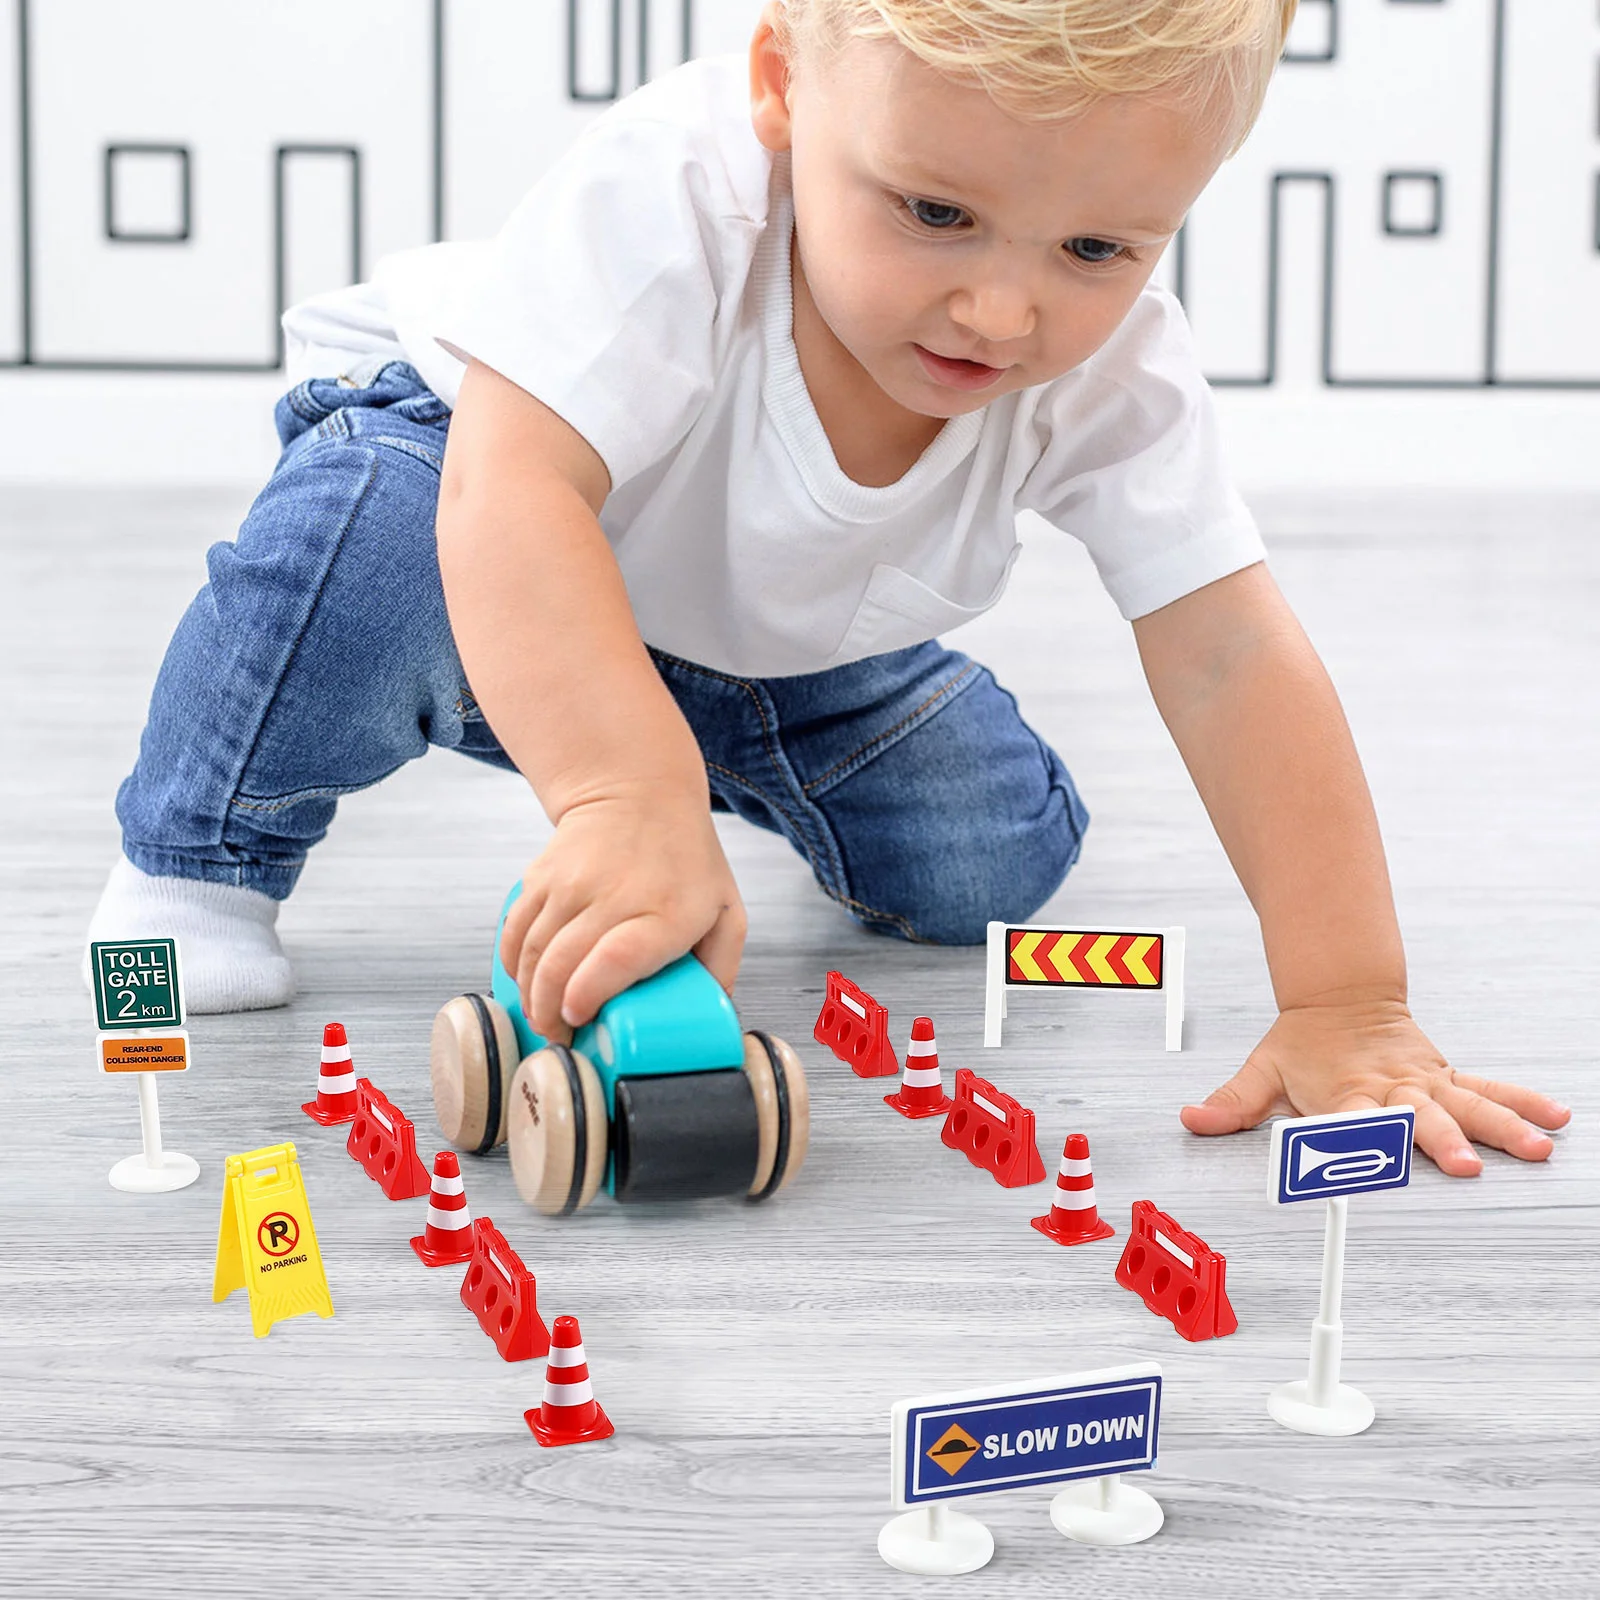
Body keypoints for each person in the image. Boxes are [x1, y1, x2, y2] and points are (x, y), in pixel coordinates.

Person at [88, 0, 1568, 1174]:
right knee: (375, 535)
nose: (1002, 308)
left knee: (994, 860)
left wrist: (1349, 1000)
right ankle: (194, 864)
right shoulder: (668, 197)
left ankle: (697, 744)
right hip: (476, 504)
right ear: (784, 85)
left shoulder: (1113, 366)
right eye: (934, 213)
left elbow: (1229, 649)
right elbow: (510, 486)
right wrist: (623, 801)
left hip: (769, 640)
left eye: (1098, 246)